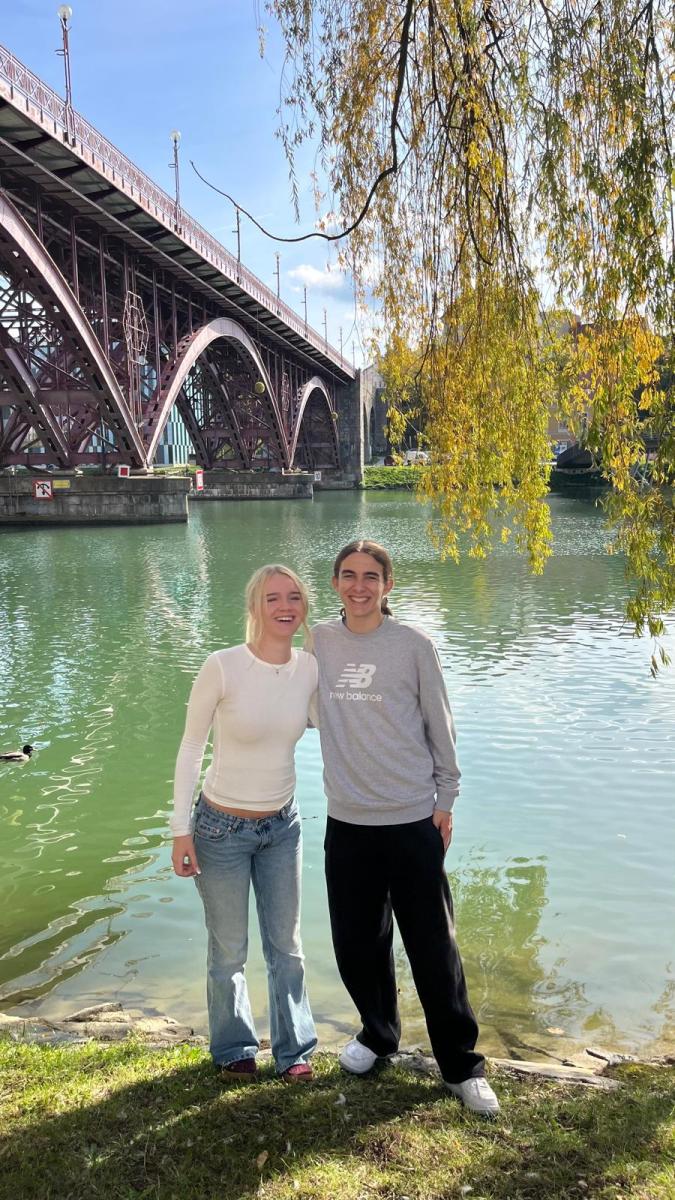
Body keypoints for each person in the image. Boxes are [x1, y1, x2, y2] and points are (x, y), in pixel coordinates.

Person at [311, 539, 499, 1115]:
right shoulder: (318, 641)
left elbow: (441, 725)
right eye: (349, 575)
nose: (359, 586)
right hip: (347, 820)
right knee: (356, 944)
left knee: (433, 946)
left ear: (388, 585)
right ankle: (378, 1034)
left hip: (412, 818)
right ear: (335, 582)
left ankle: (461, 1065)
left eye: (371, 576)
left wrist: (447, 797)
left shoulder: (414, 644)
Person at [171, 564, 318, 1083]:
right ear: (254, 606)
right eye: (272, 598)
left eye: (294, 597)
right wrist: (180, 829)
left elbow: (338, 722)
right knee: (229, 949)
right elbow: (192, 747)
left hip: (283, 827)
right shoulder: (222, 666)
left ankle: (294, 1050)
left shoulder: (310, 668)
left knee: (287, 947)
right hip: (220, 830)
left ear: (304, 606)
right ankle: (235, 1046)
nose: (285, 606)